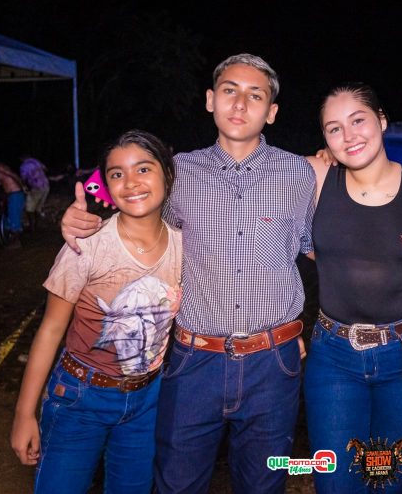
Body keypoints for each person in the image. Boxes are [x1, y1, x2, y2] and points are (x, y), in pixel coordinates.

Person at [61, 54, 315, 493]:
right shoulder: (177, 173)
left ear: (271, 112)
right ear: (210, 100)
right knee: (176, 482)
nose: (240, 103)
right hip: (193, 361)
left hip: (274, 363)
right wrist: (74, 218)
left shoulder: (302, 174)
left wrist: (398, 266)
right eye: (230, 90)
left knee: (266, 482)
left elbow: (323, 246)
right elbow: (121, 202)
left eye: (256, 95)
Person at [10, 130, 181, 493]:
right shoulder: (86, 247)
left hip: (147, 400)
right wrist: (24, 414)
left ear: (167, 173)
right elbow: (50, 330)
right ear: (105, 184)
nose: (130, 182)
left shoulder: (186, 247)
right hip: (79, 398)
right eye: (116, 174)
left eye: (144, 169)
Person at [303, 82, 402, 492]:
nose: (348, 136)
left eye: (358, 120)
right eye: (334, 129)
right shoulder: (314, 177)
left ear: (382, 121)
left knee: (387, 482)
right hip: (333, 359)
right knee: (335, 482)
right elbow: (255, 171)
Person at [19, 155, 50, 232]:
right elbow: (46, 169)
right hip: (46, 186)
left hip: (37, 187)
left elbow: (23, 179)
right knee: (37, 208)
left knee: (29, 209)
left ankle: (32, 227)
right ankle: (36, 226)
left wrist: (25, 187)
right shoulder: (35, 161)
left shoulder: (24, 166)